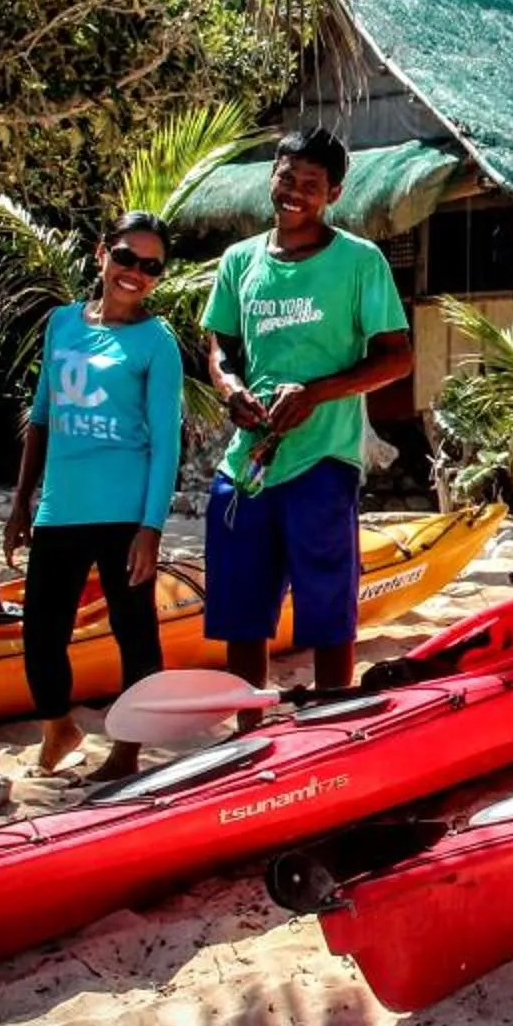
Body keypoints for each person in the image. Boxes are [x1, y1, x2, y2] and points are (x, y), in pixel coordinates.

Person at [91, 128, 410, 782]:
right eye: (287, 179)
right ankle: (249, 736)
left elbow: (397, 358)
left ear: (335, 195)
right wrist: (232, 389)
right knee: (241, 607)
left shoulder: (359, 262)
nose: (295, 195)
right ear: (275, 175)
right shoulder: (240, 261)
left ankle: (329, 724)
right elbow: (221, 347)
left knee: (327, 599)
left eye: (311, 187)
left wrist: (319, 391)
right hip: (248, 461)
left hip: (324, 456)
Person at [3, 211, 185, 776]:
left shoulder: (158, 343)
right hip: (63, 507)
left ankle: (128, 749)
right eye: (127, 258)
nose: (135, 273)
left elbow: (165, 444)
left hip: (126, 513)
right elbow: (40, 417)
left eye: (150, 266)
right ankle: (59, 727)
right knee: (41, 632)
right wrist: (20, 502)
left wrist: (150, 528)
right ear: (101, 253)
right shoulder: (62, 323)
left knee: (134, 631)